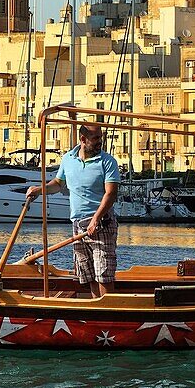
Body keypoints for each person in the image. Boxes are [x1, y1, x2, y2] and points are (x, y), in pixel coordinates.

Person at [25, 123, 120, 297]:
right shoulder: (68, 159)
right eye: (96, 138)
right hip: (78, 224)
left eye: (101, 137)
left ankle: (108, 313)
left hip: (102, 223)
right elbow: (58, 184)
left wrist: (96, 219)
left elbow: (111, 193)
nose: (100, 142)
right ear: (83, 139)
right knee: (88, 273)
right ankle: (95, 311)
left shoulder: (108, 161)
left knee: (104, 274)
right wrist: (39, 190)